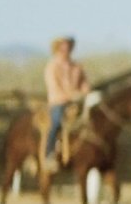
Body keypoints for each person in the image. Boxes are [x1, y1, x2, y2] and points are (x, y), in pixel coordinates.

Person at [43, 36, 91, 172]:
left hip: (77, 102)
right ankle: (49, 154)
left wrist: (85, 91)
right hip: (58, 102)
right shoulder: (52, 67)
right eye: (63, 46)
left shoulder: (77, 66)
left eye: (68, 46)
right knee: (56, 122)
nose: (66, 49)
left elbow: (84, 84)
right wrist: (71, 95)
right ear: (57, 48)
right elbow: (54, 88)